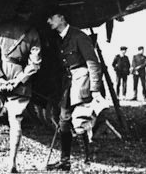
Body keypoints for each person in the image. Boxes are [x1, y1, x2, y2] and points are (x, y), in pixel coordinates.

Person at [0, 0, 42, 173]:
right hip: (20, 79)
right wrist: (19, 80)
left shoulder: (0, 28)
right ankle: (11, 164)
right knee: (16, 121)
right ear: (29, 14)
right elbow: (35, 64)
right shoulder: (33, 32)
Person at [46, 10, 102, 172]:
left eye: (51, 17)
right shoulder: (59, 39)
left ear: (61, 18)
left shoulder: (79, 36)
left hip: (81, 82)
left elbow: (93, 63)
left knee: (80, 123)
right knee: (64, 121)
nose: (48, 21)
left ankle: (86, 162)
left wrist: (95, 88)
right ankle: (65, 161)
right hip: (67, 84)